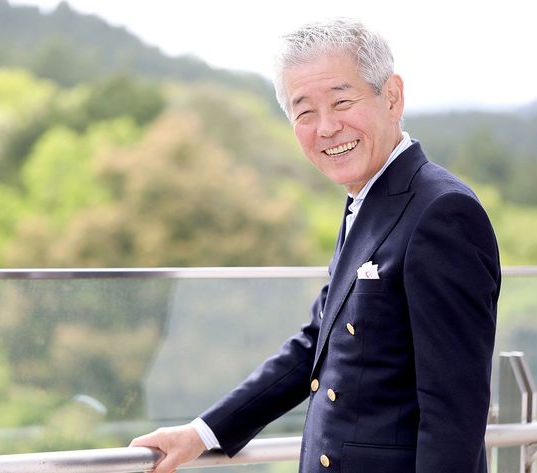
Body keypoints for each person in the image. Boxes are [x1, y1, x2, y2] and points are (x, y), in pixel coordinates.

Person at [130, 18, 500, 473]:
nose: (326, 128)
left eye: (341, 102)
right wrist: (201, 433)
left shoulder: (441, 212)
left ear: (392, 97)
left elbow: (454, 413)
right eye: (305, 113)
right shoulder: (368, 199)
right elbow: (317, 344)